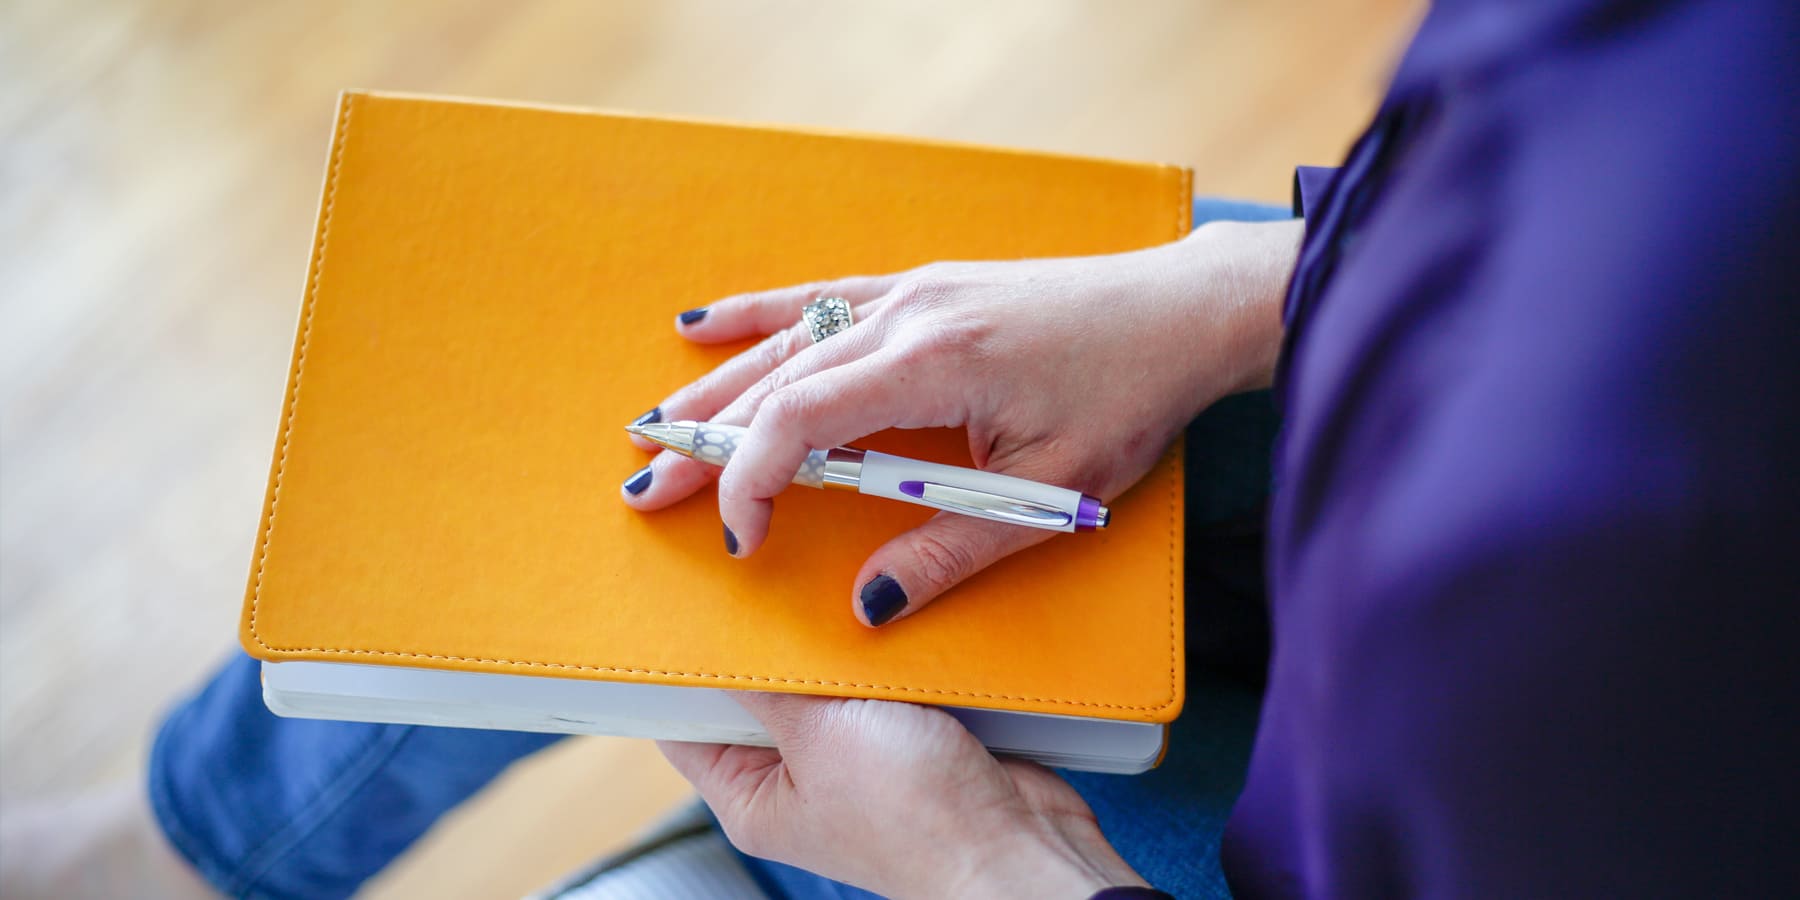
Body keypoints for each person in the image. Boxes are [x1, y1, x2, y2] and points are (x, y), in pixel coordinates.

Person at [7, 0, 1798, 896]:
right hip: (1495, 516)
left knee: (761, 577)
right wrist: (1253, 287)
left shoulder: (1567, 607)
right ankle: (197, 833)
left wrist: (990, 868)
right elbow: (1519, 175)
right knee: (761, 376)